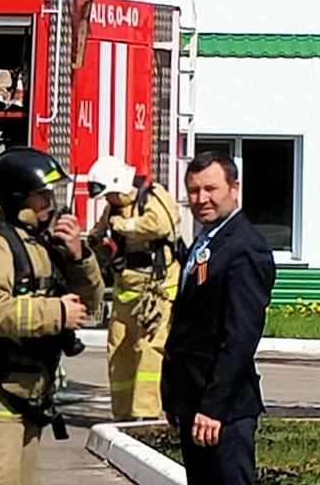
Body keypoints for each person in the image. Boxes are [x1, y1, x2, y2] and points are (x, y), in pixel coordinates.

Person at [0, 147, 104, 485]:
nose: (49, 202)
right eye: (41, 195)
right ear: (14, 197)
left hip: (28, 393)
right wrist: (55, 312)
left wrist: (78, 256)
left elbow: (89, 303)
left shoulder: (37, 243)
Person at [162, 151, 275, 484]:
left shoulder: (245, 247)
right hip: (192, 401)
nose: (202, 199)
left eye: (211, 188)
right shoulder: (206, 241)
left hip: (223, 411)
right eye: (194, 191)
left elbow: (240, 336)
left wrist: (214, 407)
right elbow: (189, 325)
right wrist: (175, 396)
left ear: (234, 188)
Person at [86, 155, 181, 421]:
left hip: (156, 289)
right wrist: (95, 239)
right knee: (119, 349)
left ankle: (147, 413)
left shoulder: (152, 197)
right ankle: (124, 414)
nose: (108, 201)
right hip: (125, 288)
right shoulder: (114, 207)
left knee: (149, 349)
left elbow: (162, 225)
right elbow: (102, 228)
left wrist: (124, 227)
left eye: (110, 195)